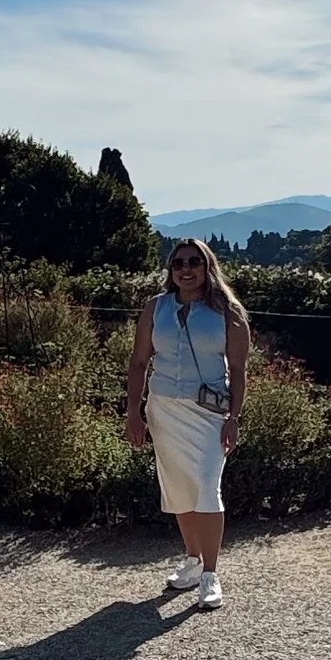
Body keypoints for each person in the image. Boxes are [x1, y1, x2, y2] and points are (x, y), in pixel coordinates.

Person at [125, 239, 251, 609]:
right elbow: (138, 362)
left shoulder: (230, 312)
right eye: (178, 262)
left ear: (207, 266)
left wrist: (234, 418)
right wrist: (133, 412)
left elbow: (239, 371)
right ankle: (193, 559)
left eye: (194, 261)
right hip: (164, 409)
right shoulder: (155, 307)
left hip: (210, 413)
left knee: (207, 487)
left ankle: (211, 575)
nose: (186, 268)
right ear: (171, 269)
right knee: (179, 486)